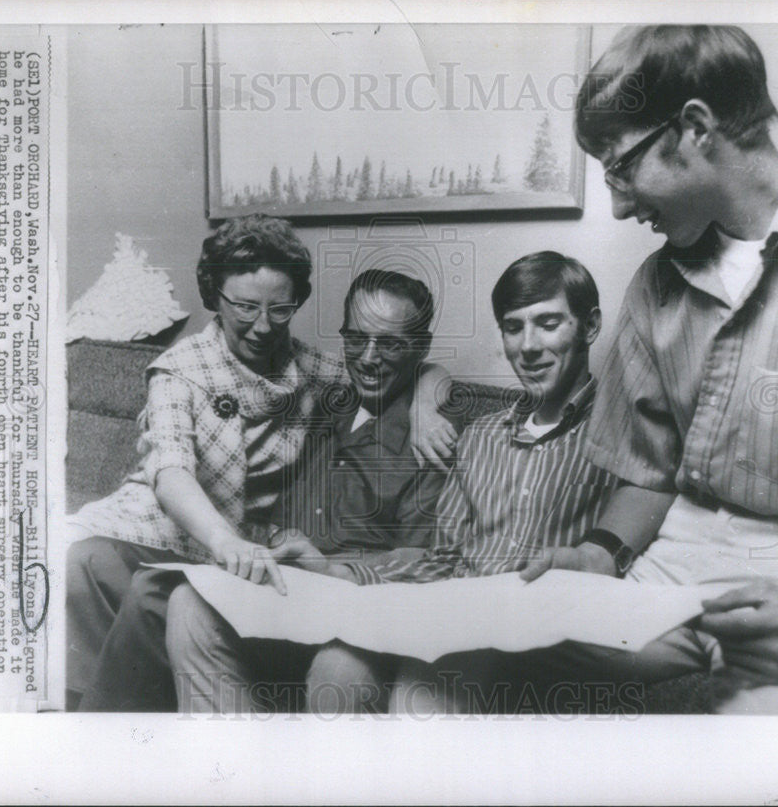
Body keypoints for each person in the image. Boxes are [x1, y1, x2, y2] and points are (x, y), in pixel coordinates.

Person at [513, 25, 778, 715]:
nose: (620, 205)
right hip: (672, 570)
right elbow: (648, 471)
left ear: (695, 127)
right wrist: (603, 553)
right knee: (486, 650)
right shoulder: (654, 286)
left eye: (621, 168)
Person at [65, 215, 456, 711]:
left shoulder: (316, 374)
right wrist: (228, 542)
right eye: (246, 306)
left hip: (245, 557)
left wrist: (427, 396)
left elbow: (396, 366)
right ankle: (86, 726)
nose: (263, 324)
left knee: (153, 593)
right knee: (84, 560)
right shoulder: (180, 368)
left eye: (280, 309)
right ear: (216, 296)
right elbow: (170, 471)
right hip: (173, 529)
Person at [246, 250, 619, 713]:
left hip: (539, 634)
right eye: (513, 327)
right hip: (447, 620)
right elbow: (441, 559)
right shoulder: (482, 436)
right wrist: (336, 571)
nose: (528, 346)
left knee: (421, 695)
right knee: (338, 671)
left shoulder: (622, 432)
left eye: (548, 324)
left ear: (591, 326)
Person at [165, 269, 451, 714]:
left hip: (366, 616)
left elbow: (429, 561)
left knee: (339, 671)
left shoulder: (434, 435)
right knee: (188, 604)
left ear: (422, 348)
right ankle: (226, 770)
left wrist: (328, 567)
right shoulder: (324, 406)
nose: (369, 357)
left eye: (390, 344)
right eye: (357, 339)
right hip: (290, 597)